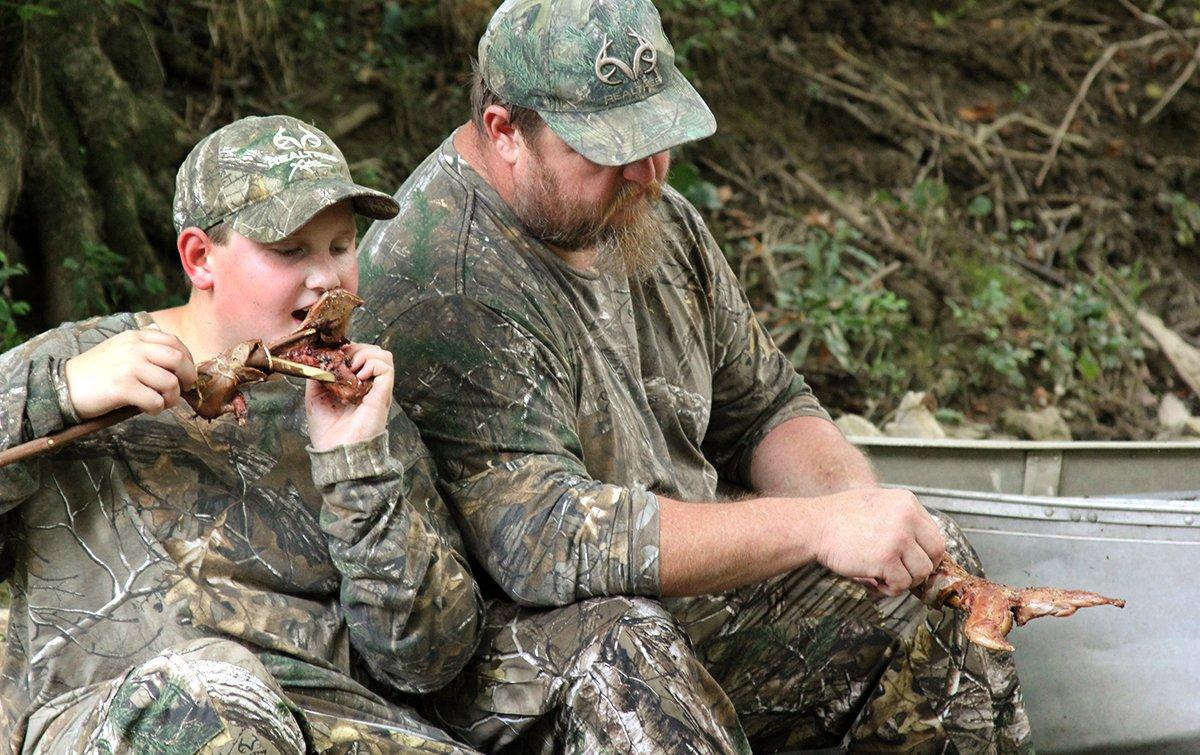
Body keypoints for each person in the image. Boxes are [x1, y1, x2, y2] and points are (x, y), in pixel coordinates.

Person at [355, 0, 1035, 752]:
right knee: (634, 654)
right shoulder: (443, 273)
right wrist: (814, 527)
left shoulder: (651, 216)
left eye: (658, 139)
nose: (649, 172)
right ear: (505, 132)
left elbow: (766, 408)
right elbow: (546, 542)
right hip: (514, 651)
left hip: (680, 600)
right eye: (611, 149)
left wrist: (857, 509)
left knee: (939, 585)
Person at [0, 115, 485, 754]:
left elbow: (426, 662)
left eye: (342, 247)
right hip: (139, 720)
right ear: (200, 258)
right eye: (290, 252)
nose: (328, 279)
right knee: (210, 699)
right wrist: (58, 394)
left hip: (337, 732)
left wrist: (356, 465)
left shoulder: (360, 404)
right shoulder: (80, 361)